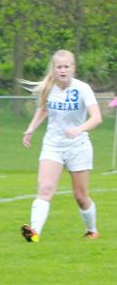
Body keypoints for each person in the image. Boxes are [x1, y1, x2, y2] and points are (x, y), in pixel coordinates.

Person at [20, 49, 102, 242]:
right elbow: (43, 109)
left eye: (66, 66)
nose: (63, 70)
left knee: (81, 196)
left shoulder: (82, 88)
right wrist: (30, 129)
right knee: (45, 189)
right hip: (53, 145)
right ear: (54, 68)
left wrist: (79, 129)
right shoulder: (48, 87)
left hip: (78, 147)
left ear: (73, 68)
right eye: (59, 67)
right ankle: (34, 232)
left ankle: (92, 230)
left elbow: (97, 118)